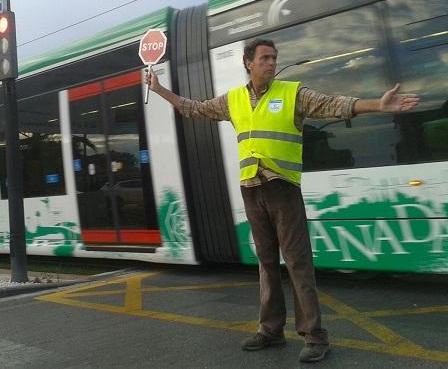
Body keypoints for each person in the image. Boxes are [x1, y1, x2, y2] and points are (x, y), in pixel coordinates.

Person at [145, 38, 419, 363]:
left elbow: (332, 104)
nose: (271, 63)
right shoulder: (233, 100)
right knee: (266, 264)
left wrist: (377, 105)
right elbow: (194, 108)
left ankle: (316, 337)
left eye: (274, 58)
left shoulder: (292, 93)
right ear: (248, 63)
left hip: (283, 190)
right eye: (264, 58)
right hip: (252, 190)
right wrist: (159, 89)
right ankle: (271, 331)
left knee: (298, 264)